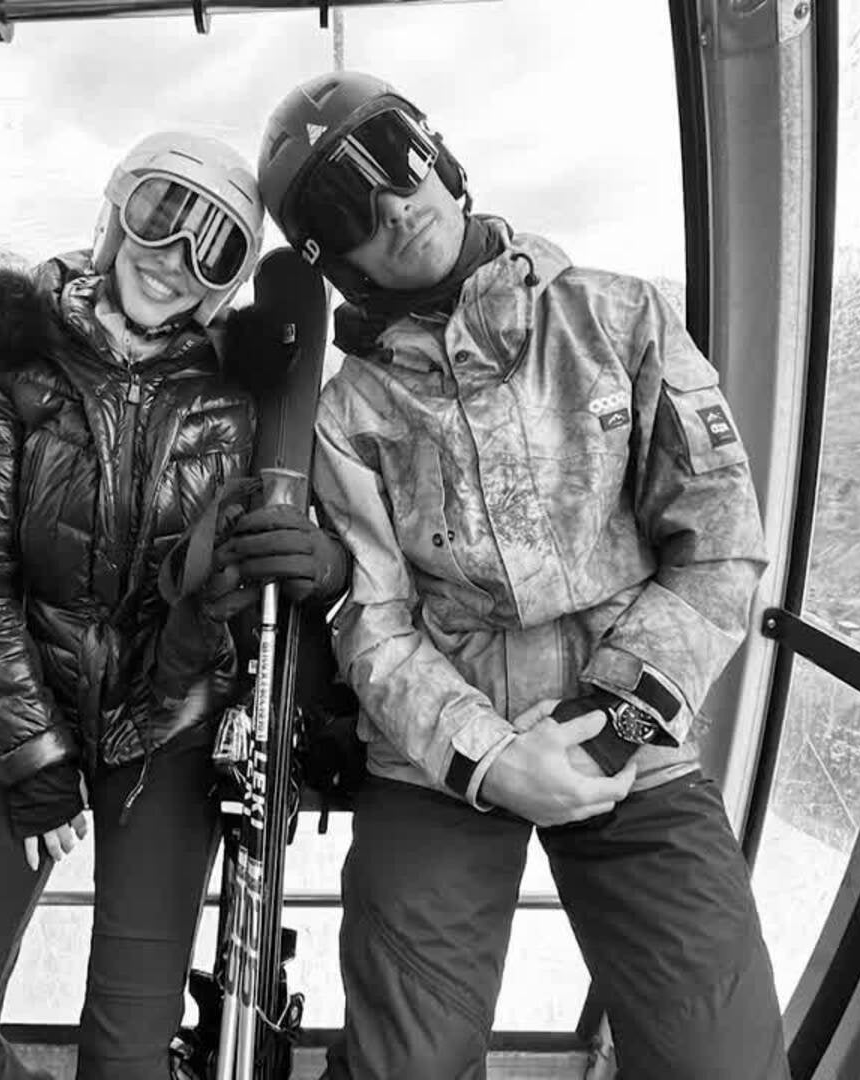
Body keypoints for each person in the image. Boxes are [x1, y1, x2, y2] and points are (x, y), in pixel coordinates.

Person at [254, 71, 789, 1077]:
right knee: (402, 1067)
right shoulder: (348, 415)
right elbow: (374, 620)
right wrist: (491, 760)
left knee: (722, 1060)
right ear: (330, 260)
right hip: (437, 755)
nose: (391, 207)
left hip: (629, 736)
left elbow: (719, 541)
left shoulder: (618, 320)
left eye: (397, 159)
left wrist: (610, 724)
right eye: (343, 208)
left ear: (440, 155)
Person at [0, 130, 348, 1080]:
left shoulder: (246, 389)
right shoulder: (12, 359)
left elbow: (313, 537)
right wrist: (30, 755)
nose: (172, 257)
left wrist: (324, 564)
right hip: (28, 713)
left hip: (168, 727)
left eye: (211, 245)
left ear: (227, 277)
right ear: (114, 211)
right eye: (159, 214)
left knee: (128, 1050)